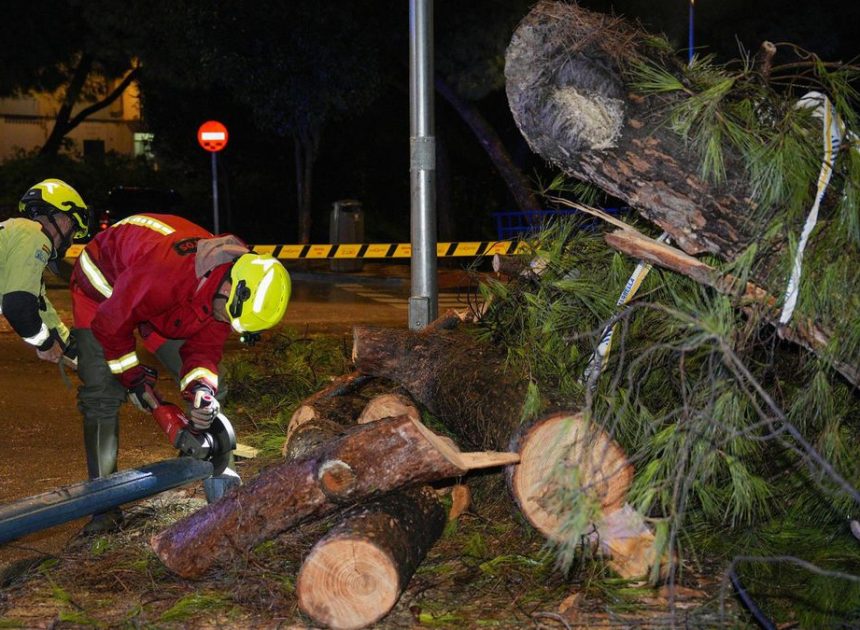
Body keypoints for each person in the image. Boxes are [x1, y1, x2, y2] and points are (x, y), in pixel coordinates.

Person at [70, 213, 290, 534]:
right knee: (103, 394)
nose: (225, 323)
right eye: (227, 314)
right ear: (228, 287)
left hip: (164, 306)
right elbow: (112, 323)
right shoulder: (166, 274)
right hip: (103, 290)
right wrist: (133, 379)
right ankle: (104, 511)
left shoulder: (227, 290)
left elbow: (203, 353)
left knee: (217, 383)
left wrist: (202, 391)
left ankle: (216, 476)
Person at [1, 178, 89, 364]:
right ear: (65, 222)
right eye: (74, 232)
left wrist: (67, 346)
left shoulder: (18, 233)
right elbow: (19, 305)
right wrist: (45, 344)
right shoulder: (35, 235)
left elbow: (39, 305)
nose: (71, 241)